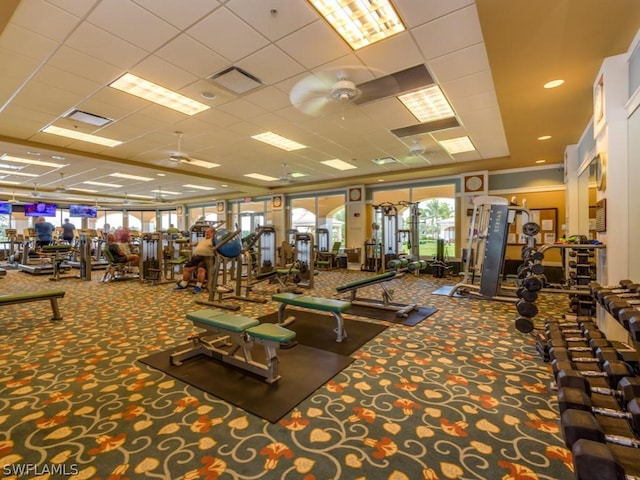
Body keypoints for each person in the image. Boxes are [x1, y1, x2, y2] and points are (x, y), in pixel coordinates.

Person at [174, 227, 214, 294]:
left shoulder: (213, 240)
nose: (206, 233)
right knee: (186, 268)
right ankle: (184, 284)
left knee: (201, 270)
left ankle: (198, 286)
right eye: (206, 232)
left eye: (208, 232)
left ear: (213, 233)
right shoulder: (204, 239)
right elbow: (198, 244)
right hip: (196, 257)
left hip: (205, 258)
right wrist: (192, 244)